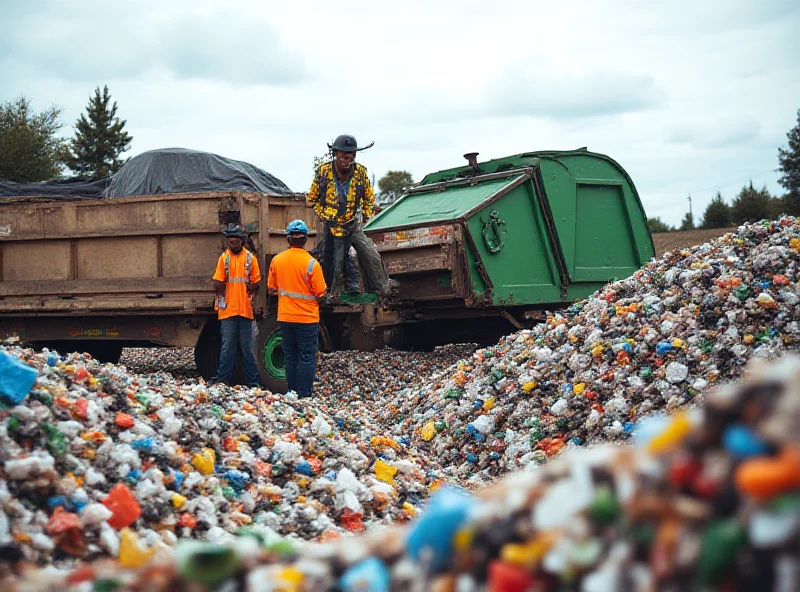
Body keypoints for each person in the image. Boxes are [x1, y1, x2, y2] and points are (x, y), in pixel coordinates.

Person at [306, 134, 394, 300]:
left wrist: (366, 214)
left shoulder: (360, 173)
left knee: (370, 254)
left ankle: (382, 290)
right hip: (332, 226)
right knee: (333, 258)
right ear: (336, 154)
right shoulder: (324, 172)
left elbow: (369, 198)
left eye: (351, 157)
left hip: (352, 224)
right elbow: (312, 200)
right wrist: (325, 216)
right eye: (344, 157)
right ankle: (329, 292)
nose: (348, 160)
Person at [267, 219, 327, 398]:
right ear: (305, 239)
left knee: (290, 357)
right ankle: (305, 394)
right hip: (307, 318)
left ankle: (292, 392)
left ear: (288, 239)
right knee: (307, 357)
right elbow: (321, 293)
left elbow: (272, 289)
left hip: (286, 317)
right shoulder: (312, 264)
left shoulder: (277, 261)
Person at [210, 224, 262, 387]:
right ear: (228, 240)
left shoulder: (250, 259)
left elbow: (256, 282)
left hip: (245, 310)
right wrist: (217, 284)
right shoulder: (224, 259)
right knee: (228, 348)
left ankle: (252, 381)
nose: (233, 241)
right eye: (230, 239)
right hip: (229, 310)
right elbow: (218, 283)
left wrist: (251, 287)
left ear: (241, 240)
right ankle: (223, 378)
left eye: (236, 239)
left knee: (247, 349)